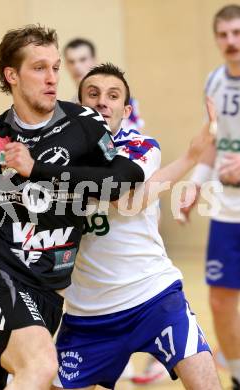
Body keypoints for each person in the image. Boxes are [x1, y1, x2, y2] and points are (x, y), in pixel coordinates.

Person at [0, 26, 146, 390]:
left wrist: (39, 170)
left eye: (54, 67)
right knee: (39, 365)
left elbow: (126, 176)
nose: (52, 78)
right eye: (39, 68)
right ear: (12, 75)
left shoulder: (84, 123)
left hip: (46, 298)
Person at [52, 63, 221, 390]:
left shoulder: (140, 146)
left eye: (113, 96)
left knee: (205, 380)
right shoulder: (58, 154)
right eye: (93, 94)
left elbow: (127, 199)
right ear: (79, 105)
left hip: (153, 296)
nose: (103, 101)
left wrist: (191, 156)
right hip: (88, 312)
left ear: (125, 110)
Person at [180, 4, 240, 390]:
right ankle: (237, 374)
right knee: (220, 300)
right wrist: (196, 182)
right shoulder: (215, 81)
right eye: (223, 35)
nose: (231, 42)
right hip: (227, 208)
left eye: (237, 33)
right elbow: (214, 142)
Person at [63, 38, 144, 131]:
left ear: (95, 60)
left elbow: (136, 136)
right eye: (71, 61)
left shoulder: (122, 101)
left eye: (82, 59)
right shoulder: (71, 105)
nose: (76, 66)